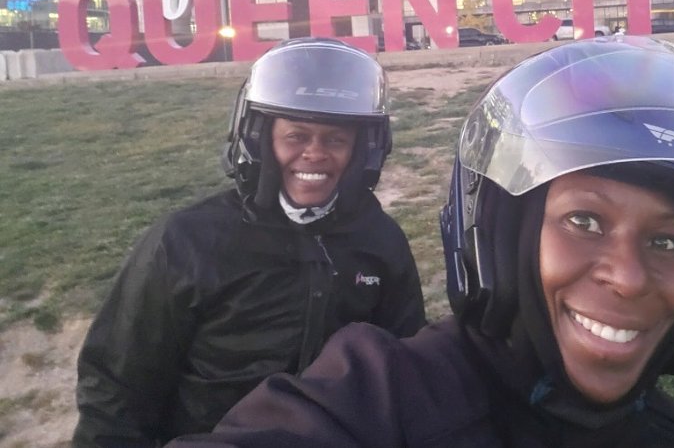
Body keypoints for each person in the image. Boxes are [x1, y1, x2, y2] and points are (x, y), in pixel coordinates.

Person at [166, 35, 674, 448]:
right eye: (585, 222)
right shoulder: (381, 400)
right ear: (500, 242)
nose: (629, 278)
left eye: (666, 242)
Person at [74, 37, 426, 447]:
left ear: (362, 151)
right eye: (296, 137)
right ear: (259, 140)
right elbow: (116, 386)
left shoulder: (380, 241)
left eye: (335, 140)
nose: (315, 153)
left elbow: (403, 366)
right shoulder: (187, 241)